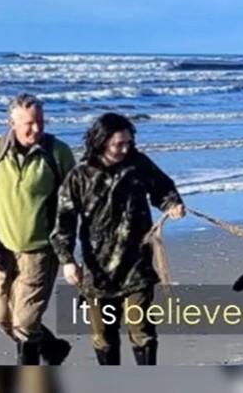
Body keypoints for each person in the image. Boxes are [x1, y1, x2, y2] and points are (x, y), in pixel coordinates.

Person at [51, 113, 185, 366]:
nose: (125, 149)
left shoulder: (139, 164)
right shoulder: (80, 175)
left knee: (142, 331)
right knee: (104, 337)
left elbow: (163, 188)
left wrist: (172, 204)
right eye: (119, 144)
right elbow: (64, 221)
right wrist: (67, 260)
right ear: (102, 142)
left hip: (137, 266)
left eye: (129, 143)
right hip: (98, 271)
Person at [0, 93, 75, 365]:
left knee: (25, 322)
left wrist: (68, 256)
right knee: (2, 318)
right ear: (11, 123)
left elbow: (73, 205)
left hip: (40, 251)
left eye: (40, 121)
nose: (37, 129)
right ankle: (52, 349)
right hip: (1, 251)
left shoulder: (58, 152)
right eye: (29, 123)